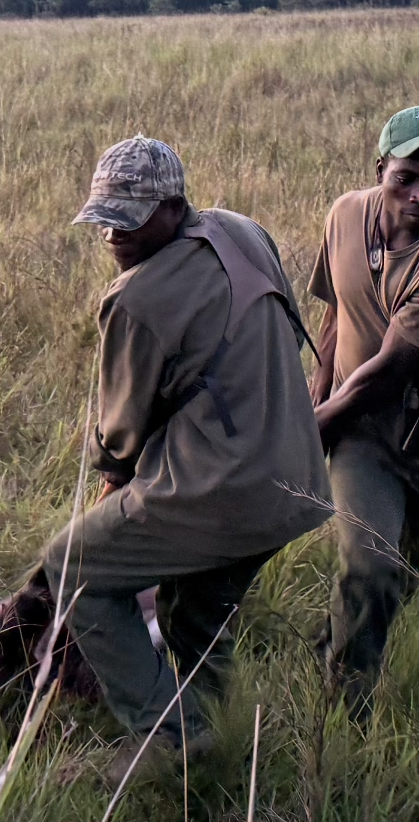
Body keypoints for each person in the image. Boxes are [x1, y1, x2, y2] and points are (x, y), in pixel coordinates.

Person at [35, 134, 332, 780]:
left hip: (220, 491)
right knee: (194, 616)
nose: (114, 236)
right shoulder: (244, 231)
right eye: (106, 219)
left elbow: (120, 440)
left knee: (71, 561)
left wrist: (115, 492)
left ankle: (170, 737)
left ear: (173, 207)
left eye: (130, 219)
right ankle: (218, 751)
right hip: (295, 481)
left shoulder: (135, 301)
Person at [307, 104, 419, 718]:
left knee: (397, 581)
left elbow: (386, 375)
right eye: (405, 176)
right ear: (379, 166)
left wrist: (306, 433)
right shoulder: (344, 215)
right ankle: (344, 713)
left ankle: (331, 644)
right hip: (358, 431)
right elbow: (334, 317)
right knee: (374, 567)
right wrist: (317, 402)